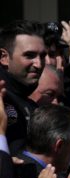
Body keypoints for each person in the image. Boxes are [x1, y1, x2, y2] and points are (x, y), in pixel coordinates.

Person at [0, 20, 46, 155]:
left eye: (42, 56)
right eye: (29, 55)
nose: (38, 64)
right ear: (4, 58)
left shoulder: (31, 105)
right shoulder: (2, 100)